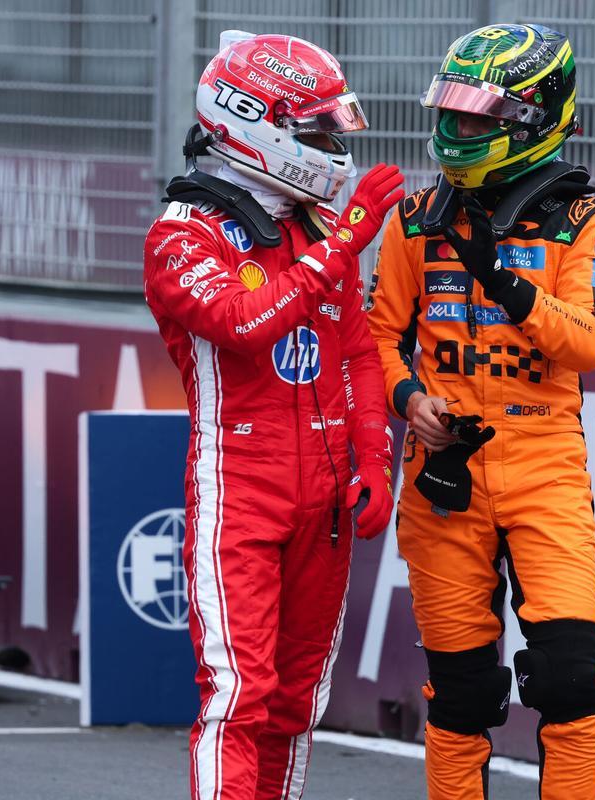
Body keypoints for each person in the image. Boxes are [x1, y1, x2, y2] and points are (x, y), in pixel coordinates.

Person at [365, 23, 595, 800]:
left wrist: (507, 284)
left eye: (479, 116)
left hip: (545, 465)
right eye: (452, 111)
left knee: (571, 678)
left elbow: (590, 343)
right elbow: (375, 340)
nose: (458, 129)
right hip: (444, 473)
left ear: (533, 120)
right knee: (464, 692)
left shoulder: (586, 223)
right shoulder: (415, 221)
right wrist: (412, 403)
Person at [143, 31, 404, 800]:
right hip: (240, 491)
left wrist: (374, 462)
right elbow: (245, 324)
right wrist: (346, 246)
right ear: (258, 125)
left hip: (324, 500)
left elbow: (357, 355)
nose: (332, 147)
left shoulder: (312, 228)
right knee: (237, 697)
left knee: (295, 705)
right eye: (316, 130)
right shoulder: (180, 233)